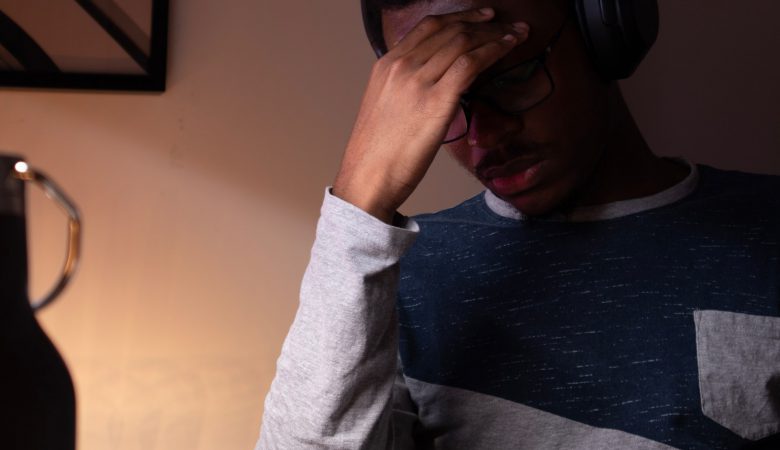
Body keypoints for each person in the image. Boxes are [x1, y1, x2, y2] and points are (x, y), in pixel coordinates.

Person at [256, 0, 780, 448]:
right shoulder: (390, 273)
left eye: (509, 77)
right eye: (444, 100)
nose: (484, 135)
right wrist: (360, 203)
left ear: (605, 34)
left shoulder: (765, 229)